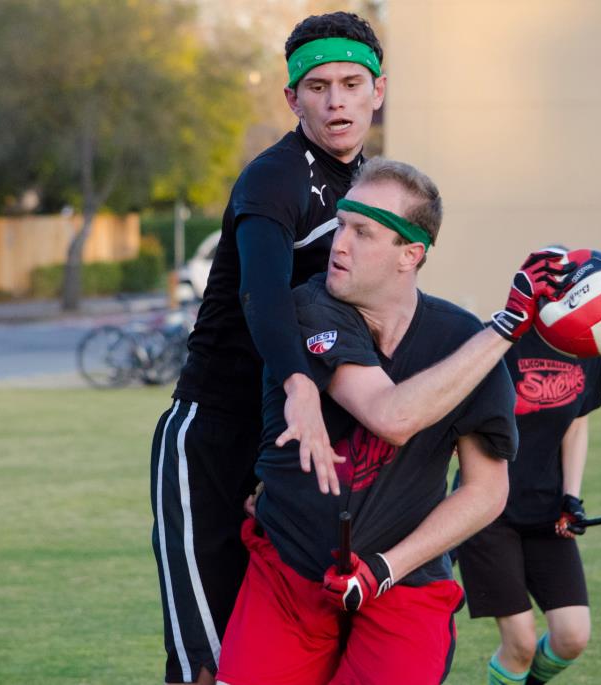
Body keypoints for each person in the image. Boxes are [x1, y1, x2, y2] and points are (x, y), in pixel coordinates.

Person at [214, 158, 573, 685]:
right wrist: (508, 325)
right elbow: (392, 416)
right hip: (290, 573)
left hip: (405, 587)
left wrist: (385, 569)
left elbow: (487, 491)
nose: (339, 244)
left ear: (411, 254)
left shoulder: (463, 344)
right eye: (340, 225)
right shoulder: (311, 306)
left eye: (363, 232)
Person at [150, 12, 387, 684]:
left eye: (350, 82)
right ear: (292, 97)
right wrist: (299, 385)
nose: (336, 100)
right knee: (206, 661)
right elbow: (262, 293)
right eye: (317, 86)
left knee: (284, 650)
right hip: (212, 433)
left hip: (288, 440)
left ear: (379, 89)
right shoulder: (274, 177)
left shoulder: (375, 188)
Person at [456, 324, 601, 685]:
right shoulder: (499, 339)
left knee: (572, 636)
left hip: (549, 513)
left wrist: (572, 498)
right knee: (520, 644)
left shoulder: (593, 343)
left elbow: (577, 424)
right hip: (488, 510)